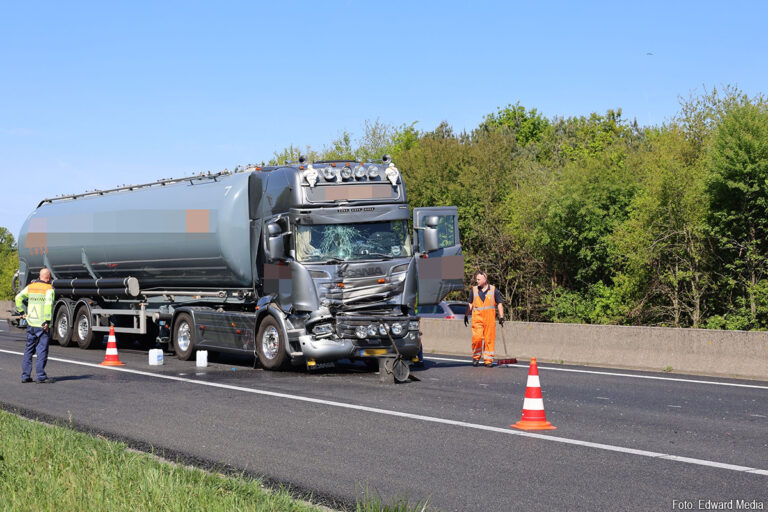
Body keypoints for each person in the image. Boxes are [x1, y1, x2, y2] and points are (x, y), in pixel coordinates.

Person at [15, 268, 56, 383]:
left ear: (40, 276)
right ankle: (41, 376)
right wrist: (46, 321)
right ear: (48, 277)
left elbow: (18, 298)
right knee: (42, 350)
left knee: (28, 350)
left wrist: (22, 312)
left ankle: (25, 376)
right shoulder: (49, 289)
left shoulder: (31, 287)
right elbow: (48, 305)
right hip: (42, 325)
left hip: (31, 323)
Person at [464, 271, 504, 367]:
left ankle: (488, 360)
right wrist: (466, 315)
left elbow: (499, 303)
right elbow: (470, 304)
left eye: (479, 279)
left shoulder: (493, 290)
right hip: (477, 319)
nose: (477, 281)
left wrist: (501, 316)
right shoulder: (474, 290)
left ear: (485, 279)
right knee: (477, 338)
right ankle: (476, 357)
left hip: (489, 319)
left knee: (489, 339)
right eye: (476, 279)